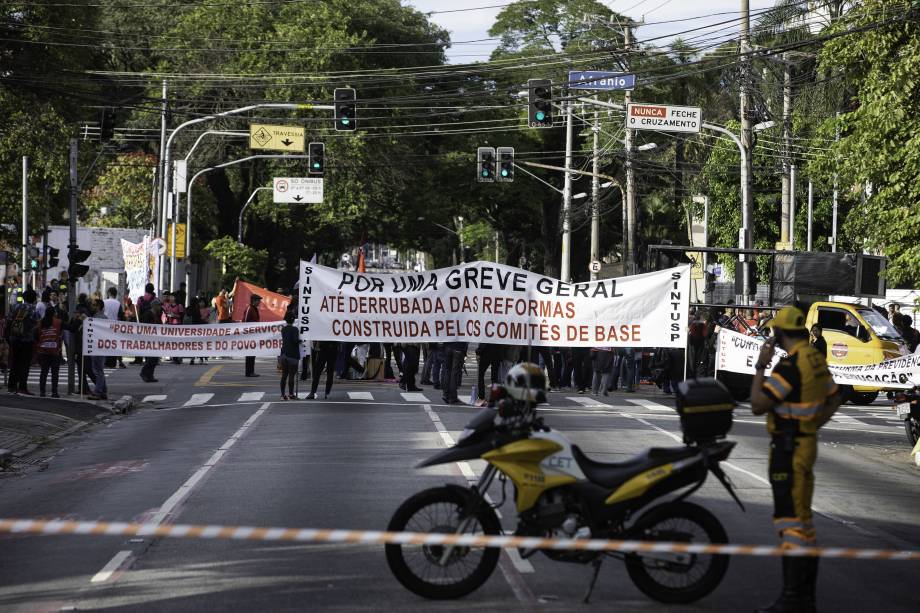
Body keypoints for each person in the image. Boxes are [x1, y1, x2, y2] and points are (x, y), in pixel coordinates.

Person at [750, 306, 841, 613]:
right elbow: (834, 396)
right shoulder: (815, 357)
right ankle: (804, 597)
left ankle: (793, 599)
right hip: (805, 444)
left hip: (788, 451)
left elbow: (758, 405)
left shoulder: (789, 367)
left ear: (778, 333)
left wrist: (761, 366)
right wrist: (813, 424)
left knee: (790, 523)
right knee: (803, 521)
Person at [5, 288, 38, 394]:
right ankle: (22, 387)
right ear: (33, 299)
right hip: (27, 340)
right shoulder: (33, 309)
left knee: (15, 362)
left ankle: (12, 386)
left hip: (14, 338)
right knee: (25, 364)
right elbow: (36, 325)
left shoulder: (16, 307)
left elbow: (9, 321)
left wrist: (8, 336)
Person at [35, 305, 64, 398]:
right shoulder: (58, 322)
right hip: (55, 351)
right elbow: (70, 327)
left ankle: (42, 392)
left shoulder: (40, 323)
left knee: (44, 372)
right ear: (54, 313)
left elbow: (35, 336)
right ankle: (54, 392)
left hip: (42, 351)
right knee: (55, 373)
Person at [87, 298, 109, 400]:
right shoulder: (96, 317)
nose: (92, 306)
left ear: (99, 307)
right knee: (98, 370)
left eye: (94, 305)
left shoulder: (100, 318)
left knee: (98, 370)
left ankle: (98, 391)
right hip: (97, 347)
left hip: (98, 347)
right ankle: (103, 391)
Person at [139, 300, 162, 382]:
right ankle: (144, 373)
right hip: (149, 339)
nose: (160, 307)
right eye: (158, 305)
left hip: (156, 339)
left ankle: (150, 375)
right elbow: (145, 327)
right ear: (154, 306)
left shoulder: (158, 315)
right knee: (151, 358)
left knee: (155, 359)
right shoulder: (148, 314)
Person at [103, 287, 126, 368]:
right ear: (115, 294)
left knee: (106, 344)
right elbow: (121, 316)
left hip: (104, 326)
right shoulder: (118, 304)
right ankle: (117, 361)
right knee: (114, 344)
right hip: (115, 327)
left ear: (109, 293)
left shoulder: (104, 302)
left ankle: (106, 362)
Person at [279, 313, 300, 399]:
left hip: (284, 354)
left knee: (284, 375)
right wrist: (300, 341)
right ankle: (291, 394)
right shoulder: (295, 329)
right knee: (291, 375)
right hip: (293, 355)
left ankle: (283, 394)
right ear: (293, 320)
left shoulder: (283, 329)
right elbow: (295, 340)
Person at [244, 294, 261, 377]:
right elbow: (246, 322)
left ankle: (252, 371)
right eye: (258, 300)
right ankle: (248, 372)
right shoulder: (249, 308)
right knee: (249, 354)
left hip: (254, 335)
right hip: (249, 335)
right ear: (254, 301)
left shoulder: (254, 309)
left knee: (253, 353)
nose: (259, 302)